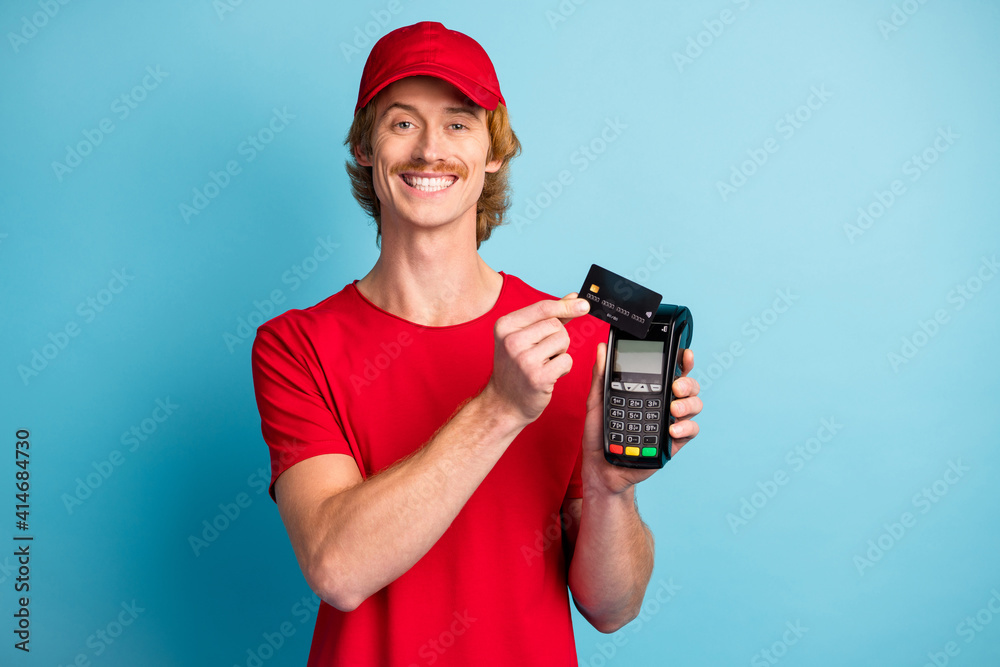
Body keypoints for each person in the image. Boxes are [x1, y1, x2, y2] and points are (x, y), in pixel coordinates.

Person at [251, 21, 702, 666]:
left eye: (459, 123)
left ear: (493, 152)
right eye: (402, 123)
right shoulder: (297, 346)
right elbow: (337, 566)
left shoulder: (570, 341)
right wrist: (501, 407)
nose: (430, 149)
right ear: (364, 148)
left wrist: (610, 491)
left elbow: (614, 607)